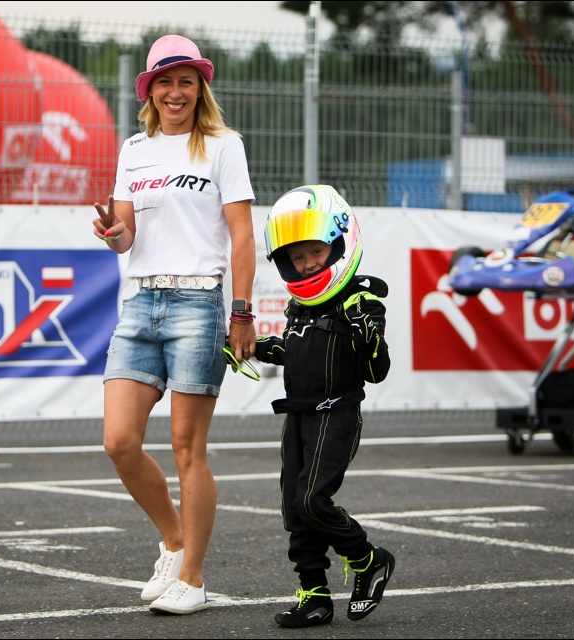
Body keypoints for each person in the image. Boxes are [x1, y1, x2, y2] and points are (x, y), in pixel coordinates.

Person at [91, 34, 256, 615]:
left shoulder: (223, 146)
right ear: (150, 90)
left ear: (200, 88)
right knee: (119, 443)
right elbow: (126, 238)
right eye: (165, 81)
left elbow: (242, 234)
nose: (176, 92)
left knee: (188, 448)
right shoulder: (134, 149)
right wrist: (113, 233)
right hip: (139, 304)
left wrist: (242, 311)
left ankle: (194, 578)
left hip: (198, 303)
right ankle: (175, 541)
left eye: (186, 81)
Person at [246, 184, 395, 628]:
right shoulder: (299, 307)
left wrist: (367, 334)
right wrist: (253, 347)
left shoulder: (360, 301)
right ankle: (314, 596)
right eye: (298, 256)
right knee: (294, 509)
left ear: (339, 243)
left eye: (315, 251)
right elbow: (296, 352)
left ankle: (368, 559)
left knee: (313, 500)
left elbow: (377, 370)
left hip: (337, 413)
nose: (308, 262)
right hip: (299, 413)